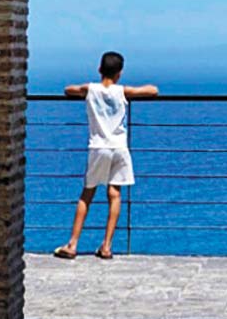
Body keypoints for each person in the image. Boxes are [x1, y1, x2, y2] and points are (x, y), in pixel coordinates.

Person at [53, 51, 159, 260]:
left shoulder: (90, 89)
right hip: (119, 147)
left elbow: (68, 90)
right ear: (120, 73)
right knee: (115, 194)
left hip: (98, 146)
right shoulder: (122, 91)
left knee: (87, 194)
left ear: (100, 69)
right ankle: (107, 246)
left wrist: (85, 88)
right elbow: (153, 90)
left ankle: (73, 244)